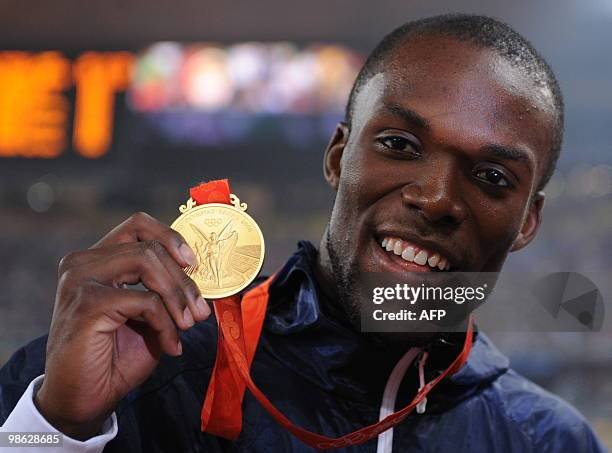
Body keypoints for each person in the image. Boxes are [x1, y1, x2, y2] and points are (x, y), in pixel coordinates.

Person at [0, 13, 605, 452]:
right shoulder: (132, 363)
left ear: (526, 221)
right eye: (399, 144)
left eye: (493, 177)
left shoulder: (549, 440)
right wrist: (57, 431)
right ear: (339, 157)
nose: (438, 198)